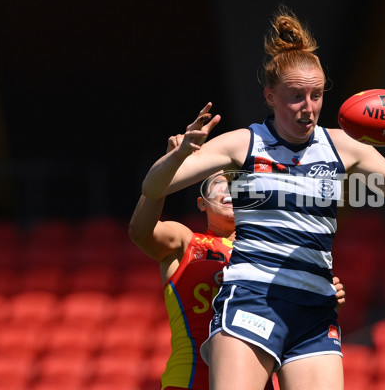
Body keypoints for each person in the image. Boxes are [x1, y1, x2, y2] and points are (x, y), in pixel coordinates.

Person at [141, 5, 385, 390]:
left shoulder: (344, 146)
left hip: (315, 310)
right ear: (270, 95)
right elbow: (155, 188)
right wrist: (180, 153)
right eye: (296, 96)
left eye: (316, 95)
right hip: (253, 296)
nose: (309, 107)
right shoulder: (243, 143)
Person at [128, 125, 347, 390]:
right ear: (202, 203)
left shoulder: (277, 251)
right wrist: (165, 172)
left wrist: (320, 293)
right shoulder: (186, 241)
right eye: (220, 183)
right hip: (191, 380)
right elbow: (140, 232)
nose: (230, 190)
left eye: (237, 184)